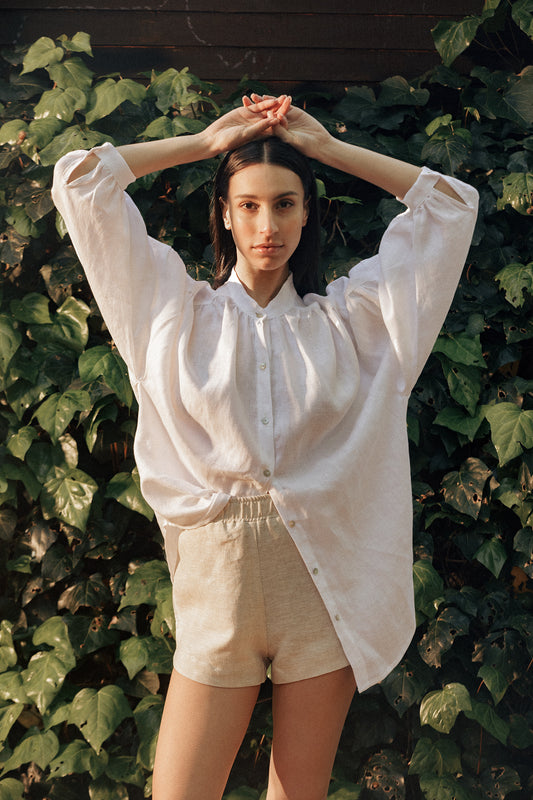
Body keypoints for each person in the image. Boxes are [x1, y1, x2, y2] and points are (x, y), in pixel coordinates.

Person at [52, 94, 478, 800]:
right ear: (222, 211)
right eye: (247, 205)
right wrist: (204, 141)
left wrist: (327, 149)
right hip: (215, 591)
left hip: (324, 587)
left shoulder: (356, 326)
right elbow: (80, 184)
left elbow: (450, 208)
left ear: (307, 212)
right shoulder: (169, 316)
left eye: (284, 204)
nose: (266, 225)